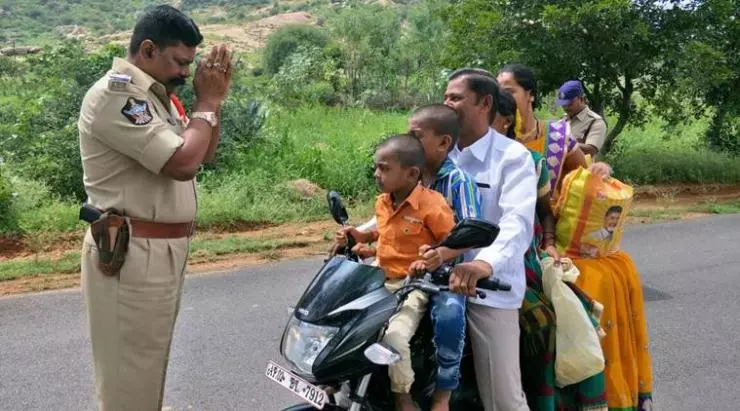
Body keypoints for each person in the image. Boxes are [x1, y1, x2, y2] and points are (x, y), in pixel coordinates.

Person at [77, 5, 232, 410]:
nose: (186, 71)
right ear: (147, 49)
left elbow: (202, 154)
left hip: (156, 251)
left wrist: (211, 105)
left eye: (190, 63)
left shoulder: (158, 97)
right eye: (179, 61)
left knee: (147, 368)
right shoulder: (119, 95)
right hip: (130, 250)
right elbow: (181, 163)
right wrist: (207, 101)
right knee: (129, 379)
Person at [497, 64, 653, 411]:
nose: (501, 98)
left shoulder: (555, 138)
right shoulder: (489, 137)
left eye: (509, 91)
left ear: (530, 95)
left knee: (586, 294)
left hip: (553, 236)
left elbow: (585, 184)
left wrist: (600, 172)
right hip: (509, 238)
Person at [336, 105, 482, 411]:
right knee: (340, 314)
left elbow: (464, 236)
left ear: (442, 142)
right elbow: (392, 231)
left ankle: (440, 393)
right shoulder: (391, 193)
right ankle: (338, 378)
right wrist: (361, 239)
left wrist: (434, 257)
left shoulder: (453, 184)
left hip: (437, 274)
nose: (409, 139)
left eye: (416, 135)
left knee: (448, 317)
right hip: (385, 275)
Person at [492, 86, 608, 411]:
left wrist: (549, 243)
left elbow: (546, 210)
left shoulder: (534, 154)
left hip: (520, 258)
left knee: (553, 321)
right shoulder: (452, 160)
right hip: (466, 262)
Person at [444, 68, 536, 411]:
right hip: (430, 281)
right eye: (445, 97)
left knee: (504, 401)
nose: (446, 104)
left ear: (485, 103)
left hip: (486, 290)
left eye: (455, 98)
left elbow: (517, 222)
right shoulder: (438, 150)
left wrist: (484, 262)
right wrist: (365, 230)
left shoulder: (512, 157)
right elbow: (409, 202)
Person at [556, 80, 608, 159]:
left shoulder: (595, 122)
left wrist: (563, 143)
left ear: (582, 99)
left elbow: (591, 150)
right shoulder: (562, 121)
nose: (566, 107)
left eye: (570, 103)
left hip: (580, 170)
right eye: (563, 104)